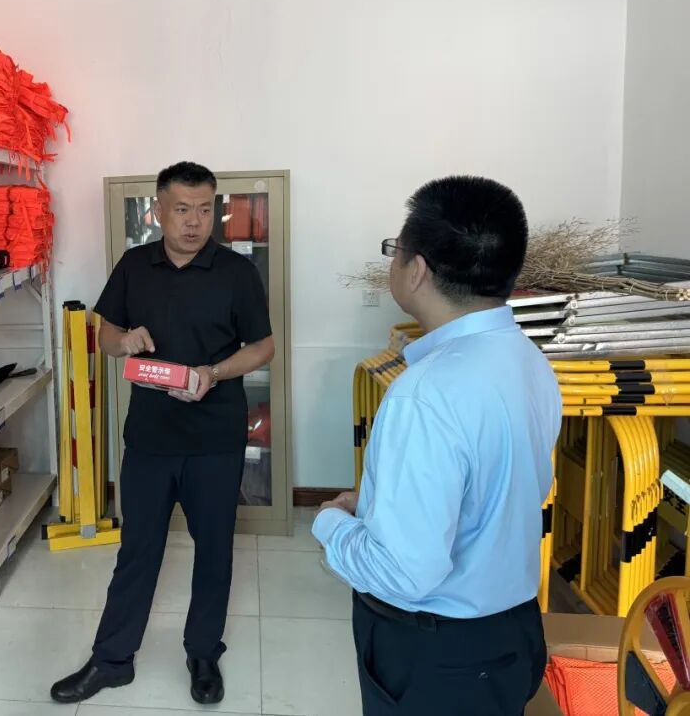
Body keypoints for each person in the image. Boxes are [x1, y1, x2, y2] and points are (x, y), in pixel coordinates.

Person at [313, 175, 561, 716]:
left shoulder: (425, 394)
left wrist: (330, 524)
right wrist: (374, 508)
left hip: (440, 654)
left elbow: (404, 573)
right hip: (512, 632)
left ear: (417, 269)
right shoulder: (529, 362)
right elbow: (497, 494)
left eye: (395, 250)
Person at [51, 162, 275, 706]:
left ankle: (203, 653)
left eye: (205, 210)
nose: (195, 222)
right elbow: (105, 334)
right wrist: (122, 341)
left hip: (216, 439)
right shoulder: (135, 265)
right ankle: (112, 660)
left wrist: (213, 373)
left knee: (214, 550)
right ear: (158, 210)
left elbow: (263, 347)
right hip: (150, 439)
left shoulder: (236, 272)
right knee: (138, 549)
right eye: (182, 210)